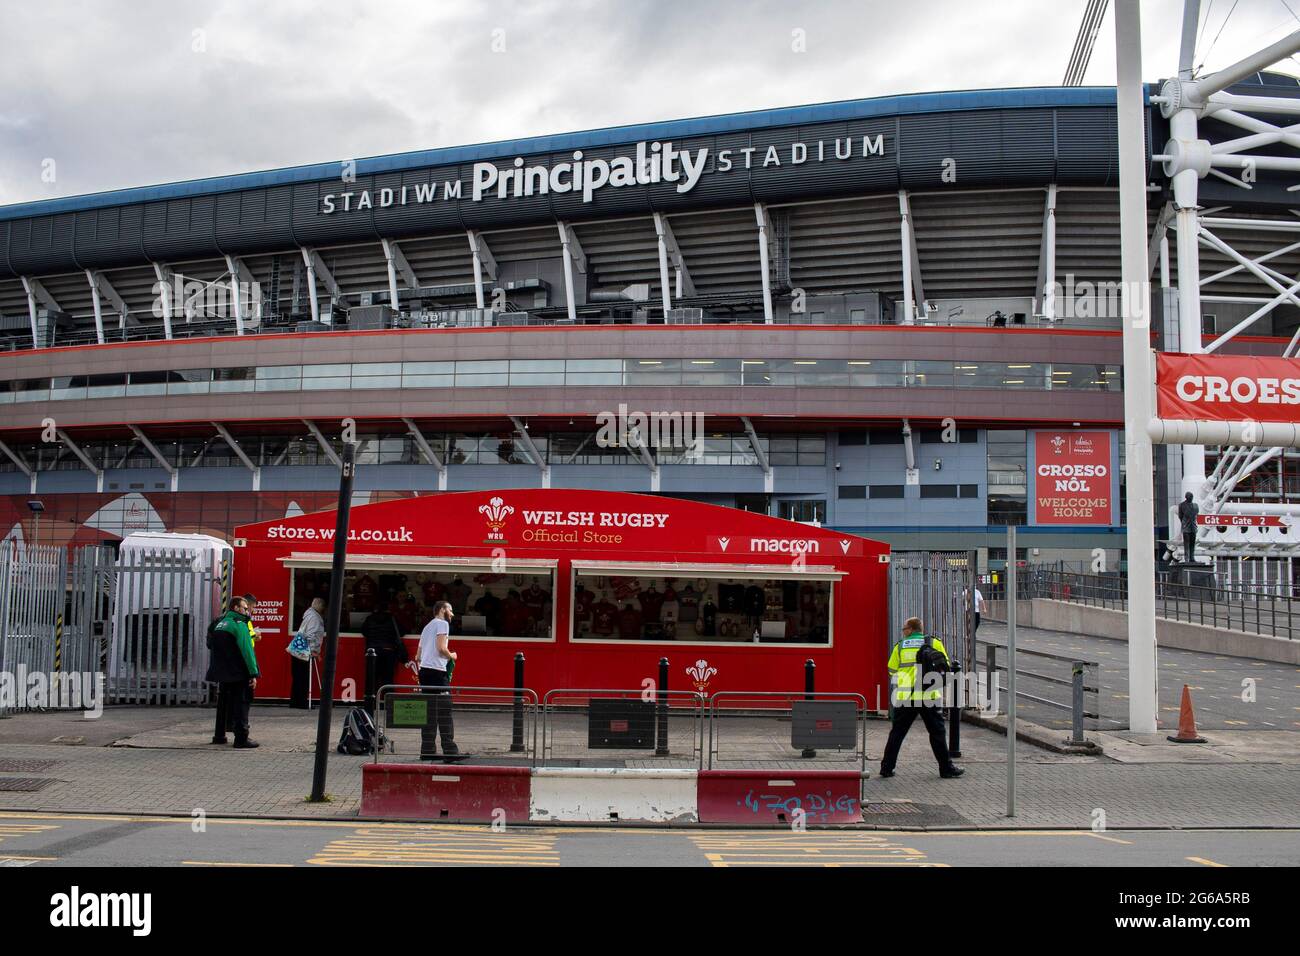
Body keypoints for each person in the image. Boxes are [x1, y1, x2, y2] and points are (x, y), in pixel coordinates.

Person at [879, 617, 963, 779]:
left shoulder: (901, 646)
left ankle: (886, 768)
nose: (903, 631)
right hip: (929, 696)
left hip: (906, 696)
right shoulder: (934, 643)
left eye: (904, 629)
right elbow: (944, 667)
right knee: (937, 733)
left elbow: (891, 670)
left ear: (910, 629)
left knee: (897, 733)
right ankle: (946, 768)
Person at [204, 596, 260, 748]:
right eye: (245, 608)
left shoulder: (219, 623)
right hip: (239, 672)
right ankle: (241, 738)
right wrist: (253, 674)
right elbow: (247, 651)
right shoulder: (239, 624)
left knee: (226, 702)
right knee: (242, 703)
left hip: (222, 672)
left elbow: (210, 644)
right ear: (236, 608)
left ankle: (221, 735)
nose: (247, 611)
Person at [416, 601, 459, 757]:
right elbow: (441, 648)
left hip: (424, 672)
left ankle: (427, 750)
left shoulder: (427, 627)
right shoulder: (442, 624)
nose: (452, 614)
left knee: (429, 712)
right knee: (444, 710)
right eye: (450, 610)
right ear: (442, 610)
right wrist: (452, 655)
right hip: (437, 673)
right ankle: (450, 750)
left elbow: (418, 656)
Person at [362, 602, 409, 702]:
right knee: (388, 678)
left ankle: (371, 702)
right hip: (388, 651)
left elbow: (364, 631)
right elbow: (402, 631)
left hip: (372, 652)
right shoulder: (392, 619)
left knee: (373, 677)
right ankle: (388, 701)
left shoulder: (369, 618)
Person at [289, 597, 325, 709]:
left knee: (297, 676)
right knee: (303, 677)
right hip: (304, 650)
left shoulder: (308, 615)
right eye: (323, 606)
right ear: (320, 606)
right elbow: (311, 635)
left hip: (297, 648)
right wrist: (314, 650)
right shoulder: (315, 618)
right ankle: (301, 702)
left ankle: (295, 702)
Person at [1178, 492, 1200, 564]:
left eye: (1192, 497)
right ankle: (1186, 558)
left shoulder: (1195, 506)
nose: (1191, 498)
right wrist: (1184, 523)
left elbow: (1196, 515)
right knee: (1186, 544)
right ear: (1186, 497)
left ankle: (1192, 558)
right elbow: (1180, 516)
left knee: (1192, 544)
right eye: (1190, 497)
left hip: (1193, 527)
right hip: (1186, 528)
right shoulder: (1182, 505)